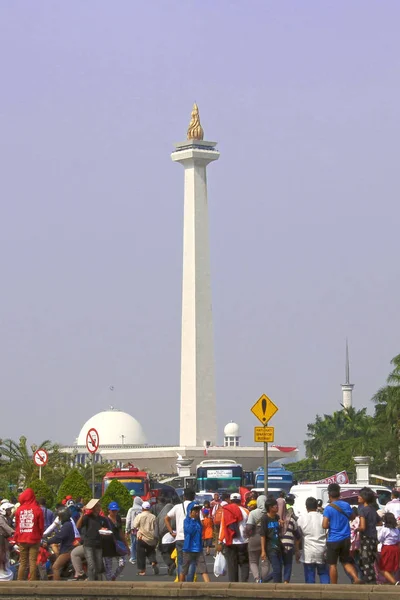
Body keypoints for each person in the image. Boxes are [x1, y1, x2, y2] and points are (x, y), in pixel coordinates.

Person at [322, 483, 362, 584]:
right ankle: (355, 578)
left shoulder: (328, 508)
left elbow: (324, 525)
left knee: (332, 564)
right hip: (346, 538)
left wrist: (333, 522)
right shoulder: (346, 505)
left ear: (329, 495)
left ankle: (334, 585)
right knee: (346, 561)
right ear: (339, 494)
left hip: (333, 539)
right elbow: (353, 517)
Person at [165, 488, 196, 581]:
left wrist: (171, 531)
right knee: (191, 562)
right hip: (192, 538)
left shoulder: (177, 507)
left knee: (181, 562)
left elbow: (166, 518)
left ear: (184, 497)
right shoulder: (196, 507)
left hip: (180, 538)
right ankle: (189, 582)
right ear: (193, 497)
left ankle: (180, 582)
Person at [218, 492, 249, 582]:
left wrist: (220, 541)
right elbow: (249, 526)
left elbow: (222, 527)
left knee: (232, 566)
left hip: (230, 541)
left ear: (231, 501)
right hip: (243, 542)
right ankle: (244, 583)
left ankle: (233, 586)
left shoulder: (226, 510)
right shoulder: (246, 511)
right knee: (244, 564)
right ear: (240, 501)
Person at [297, 497, 330, 584]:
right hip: (322, 549)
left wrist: (297, 551)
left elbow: (298, 535)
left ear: (306, 507)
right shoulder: (323, 517)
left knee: (309, 576)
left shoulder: (302, 518)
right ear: (316, 506)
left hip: (308, 551)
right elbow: (327, 533)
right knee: (324, 573)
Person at [14, 488, 44, 581]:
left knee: (23, 562)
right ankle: (31, 582)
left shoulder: (19, 510)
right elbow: (41, 526)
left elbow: (17, 525)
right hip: (34, 539)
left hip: (22, 539)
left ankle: (19, 581)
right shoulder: (37, 509)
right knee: (32, 561)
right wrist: (39, 535)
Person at [76, 499, 108, 581]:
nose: (98, 508)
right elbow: (78, 526)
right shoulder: (87, 517)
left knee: (100, 565)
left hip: (98, 544)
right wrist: (82, 514)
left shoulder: (102, 519)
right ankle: (91, 583)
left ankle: (99, 582)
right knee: (91, 565)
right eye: (96, 506)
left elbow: (106, 529)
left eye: (98, 506)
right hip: (88, 544)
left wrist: (105, 530)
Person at [179, 502, 209, 582]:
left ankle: (209, 586)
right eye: (195, 511)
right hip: (188, 548)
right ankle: (180, 586)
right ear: (190, 512)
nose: (197, 513)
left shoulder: (198, 522)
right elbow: (189, 531)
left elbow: (200, 531)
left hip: (198, 549)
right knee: (184, 570)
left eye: (198, 511)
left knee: (203, 569)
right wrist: (192, 520)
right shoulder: (186, 521)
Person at [358, 487, 381, 584]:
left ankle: (369, 580)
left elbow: (362, 527)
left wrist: (355, 528)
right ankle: (373, 579)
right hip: (373, 538)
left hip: (366, 538)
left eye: (360, 495)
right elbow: (379, 522)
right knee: (372, 559)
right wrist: (371, 523)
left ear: (364, 497)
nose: (358, 497)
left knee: (366, 560)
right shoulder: (372, 509)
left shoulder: (363, 510)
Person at [245, 494, 270, 583]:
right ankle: (263, 579)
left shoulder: (253, 513)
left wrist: (248, 535)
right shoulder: (270, 513)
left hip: (254, 537)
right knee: (265, 562)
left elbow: (248, 527)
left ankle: (257, 578)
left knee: (253, 560)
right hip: (267, 539)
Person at [102, 502, 129, 581]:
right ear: (109, 510)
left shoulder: (118, 518)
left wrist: (126, 546)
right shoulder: (105, 520)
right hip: (108, 546)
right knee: (108, 568)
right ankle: (109, 584)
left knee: (122, 563)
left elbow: (121, 532)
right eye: (113, 510)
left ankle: (114, 576)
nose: (114, 512)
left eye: (116, 510)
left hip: (118, 544)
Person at [47, 508, 75, 580]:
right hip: (66, 549)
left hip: (67, 551)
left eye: (60, 517)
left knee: (55, 567)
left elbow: (59, 537)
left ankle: (56, 587)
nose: (59, 519)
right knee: (52, 557)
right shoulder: (68, 524)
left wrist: (48, 542)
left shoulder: (67, 525)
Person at [133, 501, 159, 576]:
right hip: (151, 538)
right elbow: (156, 527)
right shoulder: (153, 516)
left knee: (140, 554)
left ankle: (142, 570)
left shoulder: (140, 516)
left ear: (142, 508)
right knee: (151, 551)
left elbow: (135, 525)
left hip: (142, 538)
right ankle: (153, 562)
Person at [260, 498, 283, 582]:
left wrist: (281, 524)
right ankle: (265, 583)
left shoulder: (277, 517)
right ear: (270, 508)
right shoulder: (265, 518)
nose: (277, 507)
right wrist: (263, 551)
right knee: (277, 569)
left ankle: (275, 585)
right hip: (270, 547)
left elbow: (279, 530)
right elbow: (262, 535)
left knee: (279, 569)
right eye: (275, 506)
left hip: (278, 546)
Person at [280, 495, 300, 583]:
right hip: (289, 544)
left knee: (278, 565)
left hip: (279, 544)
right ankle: (286, 581)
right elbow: (297, 533)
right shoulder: (290, 512)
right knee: (288, 564)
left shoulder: (276, 519)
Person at [377, 512, 400, 585]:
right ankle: (392, 582)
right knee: (392, 568)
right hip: (395, 548)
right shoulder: (396, 530)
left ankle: (394, 582)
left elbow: (380, 538)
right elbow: (398, 540)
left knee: (382, 568)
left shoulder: (384, 529)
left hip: (387, 548)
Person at [125, 496, 143, 565]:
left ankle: (133, 558)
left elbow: (128, 520)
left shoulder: (131, 509)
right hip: (141, 529)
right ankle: (140, 557)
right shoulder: (142, 509)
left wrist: (127, 530)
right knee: (140, 544)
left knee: (133, 543)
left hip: (133, 529)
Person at [0, 502, 15, 581]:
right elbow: (5, 526)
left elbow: (12, 526)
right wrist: (13, 532)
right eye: (9, 510)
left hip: (6, 538)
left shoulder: (8, 518)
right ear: (4, 510)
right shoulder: (0, 518)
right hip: (1, 537)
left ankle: (5, 567)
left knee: (6, 553)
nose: (10, 512)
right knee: (1, 553)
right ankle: (1, 568)